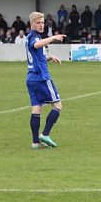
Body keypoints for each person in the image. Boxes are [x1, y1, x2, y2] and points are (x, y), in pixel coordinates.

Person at [24, 11, 66, 150]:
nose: (41, 25)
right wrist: (54, 38)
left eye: (42, 22)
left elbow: (35, 54)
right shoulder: (34, 37)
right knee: (58, 106)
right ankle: (45, 134)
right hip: (42, 78)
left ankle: (35, 142)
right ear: (32, 24)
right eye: (38, 23)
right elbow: (36, 45)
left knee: (36, 109)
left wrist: (48, 57)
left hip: (31, 78)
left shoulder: (31, 37)